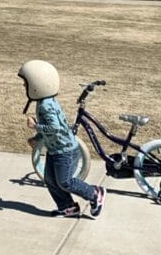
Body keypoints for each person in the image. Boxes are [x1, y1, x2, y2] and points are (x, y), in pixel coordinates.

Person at [18, 60, 105, 219]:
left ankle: (94, 194)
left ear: (37, 85)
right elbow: (53, 128)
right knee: (50, 180)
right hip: (56, 149)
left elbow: (56, 128)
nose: (24, 86)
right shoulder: (45, 102)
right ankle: (68, 207)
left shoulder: (45, 106)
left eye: (26, 83)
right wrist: (37, 138)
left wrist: (35, 127)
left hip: (65, 151)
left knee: (65, 182)